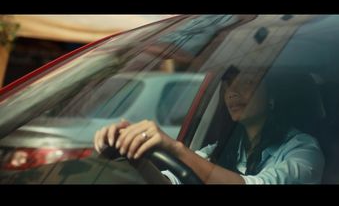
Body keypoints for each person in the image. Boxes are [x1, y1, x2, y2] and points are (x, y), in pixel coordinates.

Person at [93, 66, 325, 184]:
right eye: (228, 86)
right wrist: (137, 159)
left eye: (246, 83)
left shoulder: (303, 150)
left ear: (271, 97)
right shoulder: (221, 148)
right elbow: (172, 181)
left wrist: (176, 148)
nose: (232, 92)